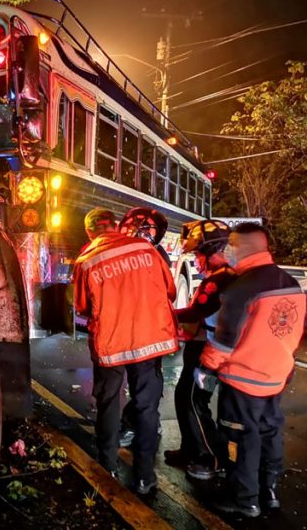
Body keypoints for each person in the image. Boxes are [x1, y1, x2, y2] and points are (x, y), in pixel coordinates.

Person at [196, 223, 305, 518]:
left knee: (239, 439)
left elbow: (224, 343)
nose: (227, 250)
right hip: (276, 377)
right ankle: (269, 492)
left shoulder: (241, 288)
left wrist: (205, 370)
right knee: (270, 433)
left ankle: (244, 500)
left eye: (231, 244)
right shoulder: (290, 283)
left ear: (245, 247)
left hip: (243, 380)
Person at [73, 207, 178, 494]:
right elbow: (170, 290)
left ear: (89, 231)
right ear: (116, 226)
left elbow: (82, 307)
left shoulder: (86, 260)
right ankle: (145, 476)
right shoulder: (147, 250)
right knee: (146, 408)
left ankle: (107, 466)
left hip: (111, 345)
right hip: (149, 340)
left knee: (109, 403)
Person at [162, 220, 236, 481]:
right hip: (201, 346)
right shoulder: (221, 276)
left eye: (198, 254)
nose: (196, 260)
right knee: (184, 397)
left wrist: (166, 312)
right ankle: (191, 449)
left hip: (209, 351)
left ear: (210, 250)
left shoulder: (221, 279)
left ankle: (211, 458)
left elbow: (197, 311)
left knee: (195, 400)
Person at [117, 207, 171, 448]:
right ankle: (143, 423)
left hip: (149, 334)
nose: (141, 231)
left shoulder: (158, 257)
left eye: (147, 228)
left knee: (145, 387)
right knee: (138, 385)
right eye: (137, 225)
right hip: (126, 332)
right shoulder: (116, 253)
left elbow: (168, 292)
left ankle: (138, 427)